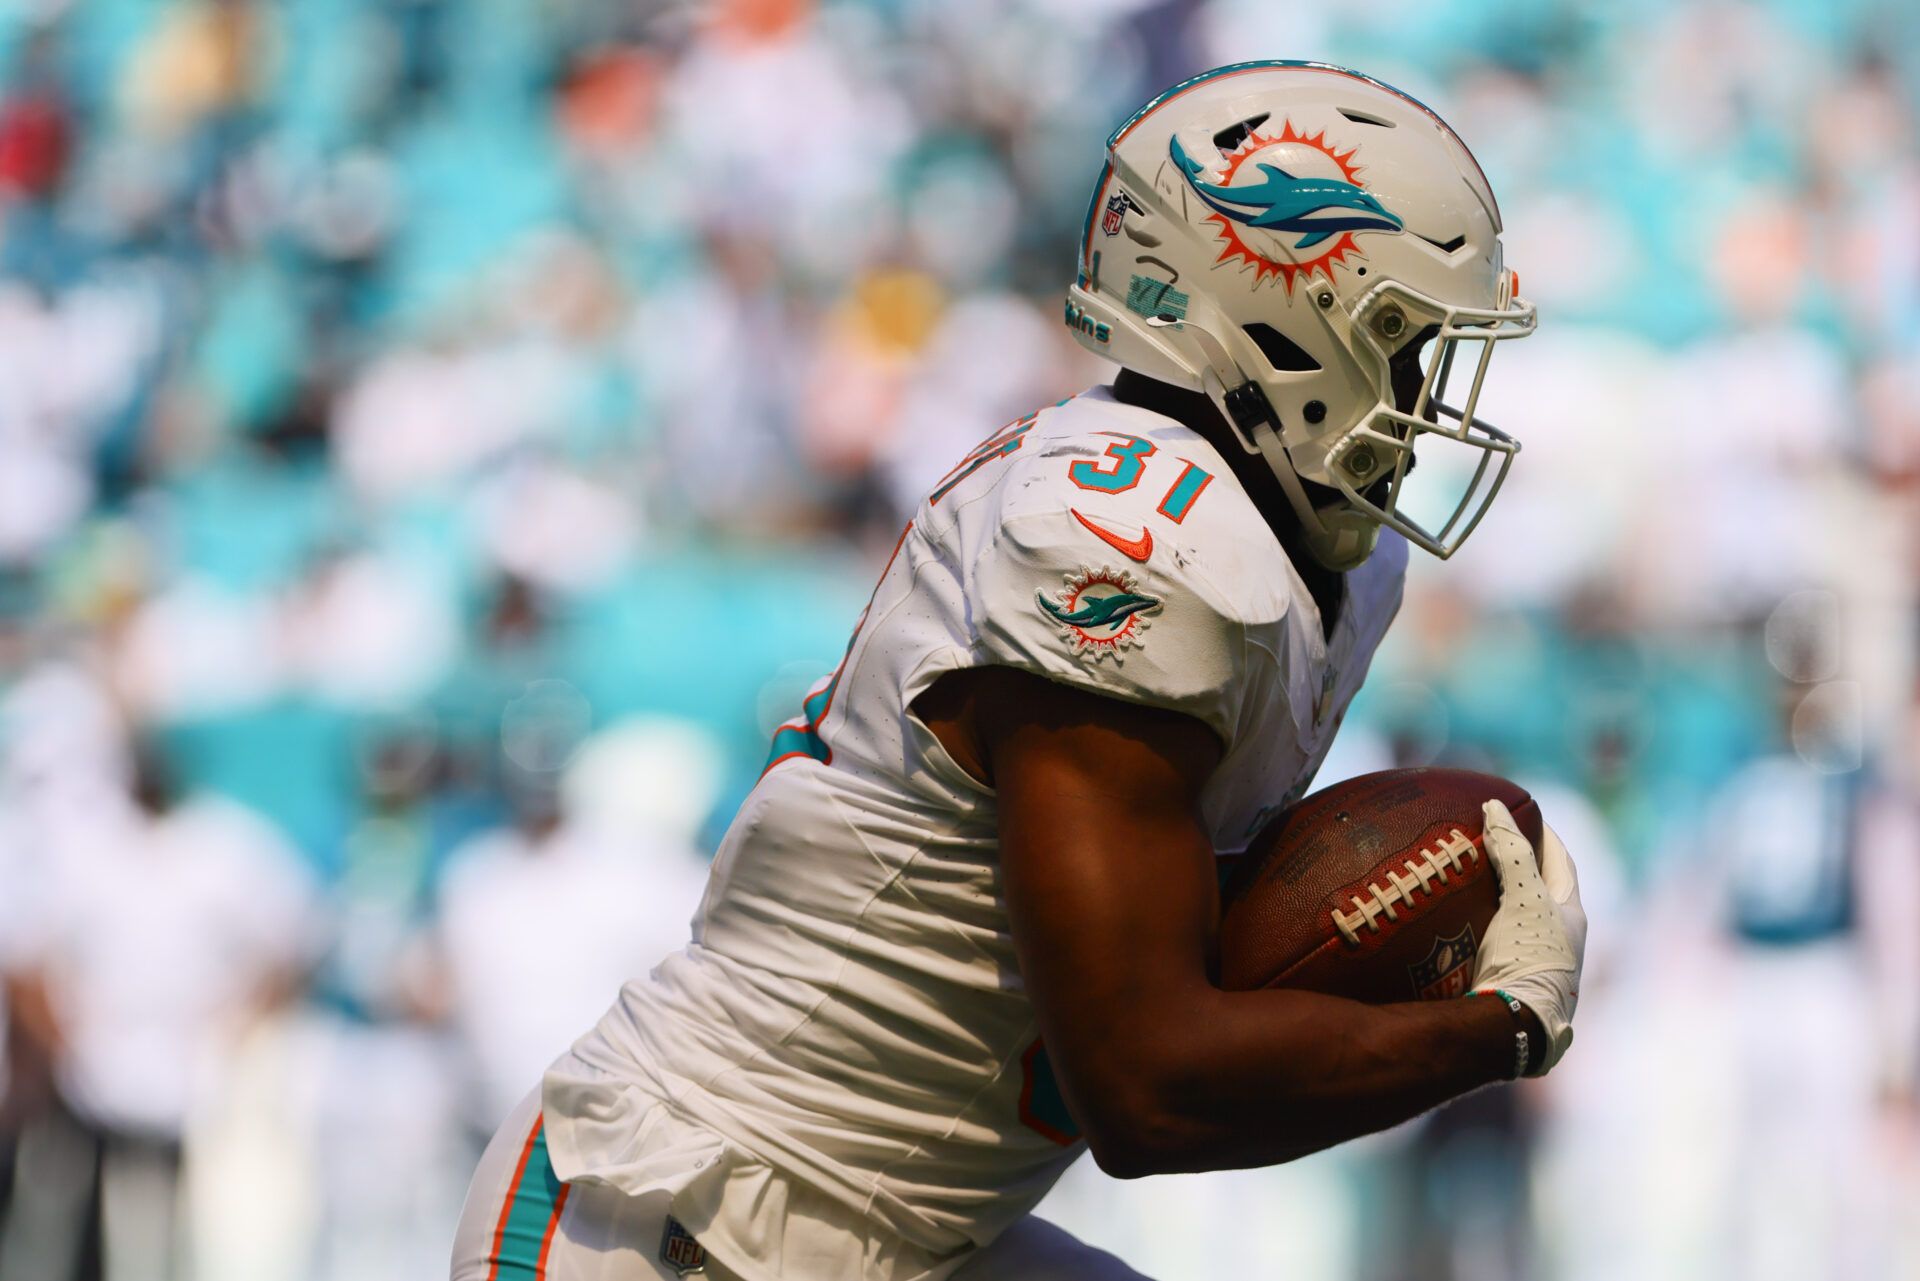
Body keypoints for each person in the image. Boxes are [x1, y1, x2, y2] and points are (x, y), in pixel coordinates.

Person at [450, 60, 1586, 1281]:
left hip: (909, 1224)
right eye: (1404, 340)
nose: (1425, 394)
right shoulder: (1132, 536)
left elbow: (1174, 936)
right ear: (1278, 316)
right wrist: (1491, 1035)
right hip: (689, 1206)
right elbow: (1149, 1087)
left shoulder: (1326, 558)